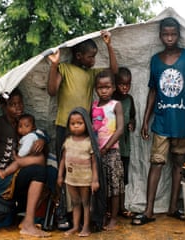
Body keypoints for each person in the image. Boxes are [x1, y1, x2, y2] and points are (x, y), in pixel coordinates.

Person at [132, 17, 185, 225]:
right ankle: (149, 210)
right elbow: (153, 90)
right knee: (156, 163)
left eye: (173, 34)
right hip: (161, 121)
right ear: (160, 35)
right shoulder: (155, 60)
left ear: (179, 35)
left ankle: (173, 208)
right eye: (165, 34)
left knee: (179, 164)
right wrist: (145, 120)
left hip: (182, 122)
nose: (169, 38)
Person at [0, 88, 51, 237]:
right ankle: (27, 224)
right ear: (4, 107)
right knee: (38, 171)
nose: (18, 107)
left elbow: (39, 137)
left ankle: (26, 219)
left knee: (46, 171)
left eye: (20, 103)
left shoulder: (22, 125)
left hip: (7, 177)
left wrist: (42, 140)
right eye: (12, 104)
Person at [47, 30, 118, 163]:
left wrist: (109, 45)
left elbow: (113, 72)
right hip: (64, 126)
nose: (93, 60)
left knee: (82, 163)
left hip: (85, 126)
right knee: (64, 163)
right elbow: (52, 91)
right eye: (91, 57)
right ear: (79, 56)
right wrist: (54, 65)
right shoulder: (64, 68)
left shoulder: (91, 74)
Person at [57, 107, 100, 237]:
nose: (76, 126)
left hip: (85, 179)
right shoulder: (68, 141)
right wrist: (60, 175)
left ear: (86, 124)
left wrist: (95, 180)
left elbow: (94, 162)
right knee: (75, 203)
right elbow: (63, 159)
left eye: (79, 123)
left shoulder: (89, 142)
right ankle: (75, 226)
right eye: (73, 123)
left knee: (86, 204)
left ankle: (86, 227)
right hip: (71, 179)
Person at [92, 70, 124, 230]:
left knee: (114, 187)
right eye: (100, 87)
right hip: (97, 154)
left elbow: (119, 130)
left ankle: (113, 219)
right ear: (96, 89)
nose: (103, 90)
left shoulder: (115, 105)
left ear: (113, 88)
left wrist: (105, 147)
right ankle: (103, 215)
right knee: (102, 187)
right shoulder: (93, 106)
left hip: (111, 152)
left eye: (107, 87)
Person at [112, 67, 136, 218]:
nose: (125, 87)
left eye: (128, 84)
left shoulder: (129, 99)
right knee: (112, 179)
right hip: (112, 147)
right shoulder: (111, 99)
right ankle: (112, 209)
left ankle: (121, 207)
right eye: (122, 84)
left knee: (123, 179)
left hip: (125, 148)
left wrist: (132, 124)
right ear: (115, 84)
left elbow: (132, 117)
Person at [0, 113, 47, 179]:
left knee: (17, 163)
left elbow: (25, 149)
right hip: (32, 160)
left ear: (33, 127)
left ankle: (4, 173)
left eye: (27, 126)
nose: (23, 129)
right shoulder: (29, 136)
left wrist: (17, 156)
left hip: (32, 159)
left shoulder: (30, 136)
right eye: (20, 126)